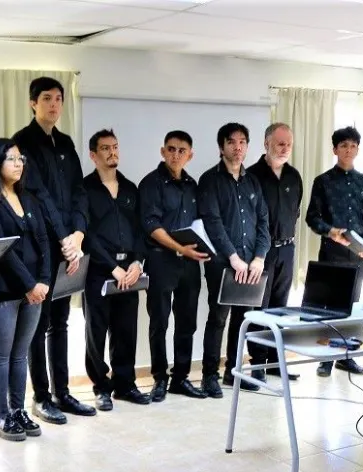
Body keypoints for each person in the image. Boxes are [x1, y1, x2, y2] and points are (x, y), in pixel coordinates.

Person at [12, 76, 96, 424]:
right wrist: (64, 237)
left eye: (59, 99)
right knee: (39, 322)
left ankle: (63, 392)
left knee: (61, 322)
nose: (54, 105)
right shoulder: (22, 141)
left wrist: (77, 234)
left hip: (68, 246)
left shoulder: (65, 142)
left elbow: (79, 191)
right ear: (33, 103)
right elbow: (37, 193)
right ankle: (41, 397)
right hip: (41, 246)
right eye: (47, 98)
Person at [0, 138, 50, 440]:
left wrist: (43, 281)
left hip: (35, 292)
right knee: (0, 355)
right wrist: (29, 285)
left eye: (21, 159)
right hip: (4, 292)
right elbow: (2, 251)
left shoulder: (27, 197)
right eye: (12, 159)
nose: (18, 164)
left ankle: (17, 410)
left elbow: (43, 242)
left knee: (20, 355)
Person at [198, 122, 270, 398]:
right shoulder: (210, 180)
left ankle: (233, 371)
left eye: (242, 142)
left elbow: (263, 220)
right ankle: (209, 376)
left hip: (251, 264)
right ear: (221, 147)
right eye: (231, 142)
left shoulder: (252, 181)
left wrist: (259, 257)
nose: (238, 147)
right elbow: (213, 224)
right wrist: (234, 258)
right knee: (217, 319)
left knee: (243, 320)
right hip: (222, 264)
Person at [138, 131, 208, 402]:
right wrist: (180, 248)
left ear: (190, 155)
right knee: (159, 321)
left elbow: (201, 223)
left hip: (190, 263)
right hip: (160, 261)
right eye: (171, 149)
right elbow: (151, 225)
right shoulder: (151, 183)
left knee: (187, 322)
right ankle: (159, 379)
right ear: (162, 151)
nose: (176, 154)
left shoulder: (193, 185)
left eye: (182, 150)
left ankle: (181, 378)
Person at [82, 129, 150, 410]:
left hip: (130, 270)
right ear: (93, 155)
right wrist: (113, 268)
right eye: (105, 148)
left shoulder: (131, 188)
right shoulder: (84, 189)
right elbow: (87, 234)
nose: (112, 153)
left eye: (115, 147)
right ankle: (101, 386)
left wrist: (136, 262)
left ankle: (125, 384)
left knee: (126, 330)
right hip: (99, 270)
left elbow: (140, 230)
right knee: (96, 332)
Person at [306, 126, 363, 377]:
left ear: (358, 149)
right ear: (335, 149)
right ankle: (326, 358)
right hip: (331, 252)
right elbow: (312, 217)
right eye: (343, 146)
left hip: (358, 256)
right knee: (329, 306)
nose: (348, 150)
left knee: (353, 305)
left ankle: (346, 356)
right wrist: (330, 231)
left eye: (353, 145)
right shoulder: (323, 181)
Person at [247, 123, 303, 381]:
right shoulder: (251, 176)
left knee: (280, 309)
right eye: (280, 143)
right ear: (266, 143)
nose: (285, 148)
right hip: (261, 254)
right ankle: (258, 365)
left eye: (288, 144)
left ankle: (274, 363)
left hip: (287, 250)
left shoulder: (294, 176)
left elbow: (296, 213)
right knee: (260, 310)